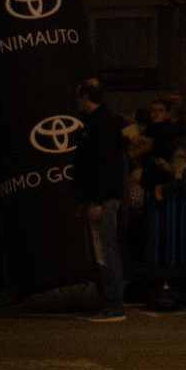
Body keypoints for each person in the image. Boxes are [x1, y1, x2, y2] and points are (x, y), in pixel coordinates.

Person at [72, 78, 128, 322]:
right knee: (101, 251)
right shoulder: (101, 123)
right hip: (101, 197)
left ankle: (113, 304)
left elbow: (103, 166)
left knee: (105, 251)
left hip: (101, 200)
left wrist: (95, 200)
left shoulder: (99, 125)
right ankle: (108, 302)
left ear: (86, 98)